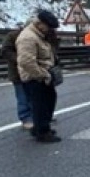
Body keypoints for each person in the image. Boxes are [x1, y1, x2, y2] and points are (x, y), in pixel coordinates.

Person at [16, 9, 60, 143]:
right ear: (40, 23)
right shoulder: (28, 37)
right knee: (40, 104)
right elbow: (26, 61)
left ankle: (40, 127)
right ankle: (42, 132)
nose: (49, 30)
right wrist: (43, 74)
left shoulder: (38, 35)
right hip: (35, 78)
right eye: (48, 27)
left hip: (43, 75)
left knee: (48, 100)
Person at [1, 22, 33, 129]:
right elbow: (5, 50)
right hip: (17, 72)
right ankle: (26, 118)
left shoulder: (36, 36)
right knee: (22, 96)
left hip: (33, 71)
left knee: (36, 96)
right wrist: (20, 60)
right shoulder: (12, 36)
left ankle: (38, 116)